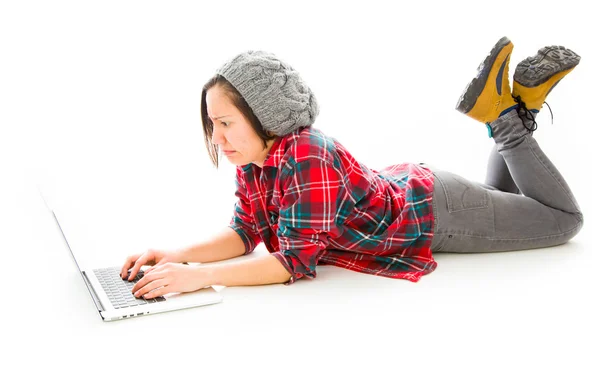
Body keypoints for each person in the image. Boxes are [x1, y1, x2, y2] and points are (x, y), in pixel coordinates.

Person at [121, 36, 584, 299]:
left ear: (264, 118)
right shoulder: (260, 159)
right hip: (425, 192)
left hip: (439, 215)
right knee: (509, 203)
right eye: (211, 125)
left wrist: (201, 278)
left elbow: (292, 262)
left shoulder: (306, 155)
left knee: (564, 221)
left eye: (224, 123)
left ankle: (505, 117)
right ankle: (514, 109)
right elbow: (245, 233)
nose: (216, 139)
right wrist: (177, 256)